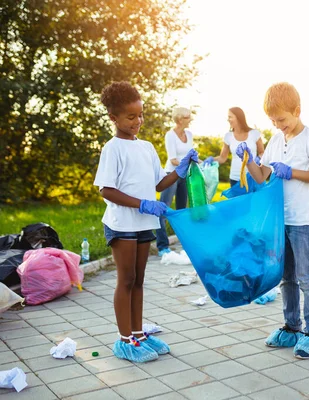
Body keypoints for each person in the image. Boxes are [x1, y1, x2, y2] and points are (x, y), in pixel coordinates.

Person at [93, 82, 199, 363]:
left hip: (144, 224)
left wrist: (180, 170)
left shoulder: (148, 148)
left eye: (140, 115)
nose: (137, 121)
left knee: (139, 280)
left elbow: (160, 182)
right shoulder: (112, 149)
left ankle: (138, 334)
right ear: (113, 118)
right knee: (125, 280)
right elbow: (106, 189)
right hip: (122, 223)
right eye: (130, 117)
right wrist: (142, 203)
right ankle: (125, 339)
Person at [236, 82, 309, 359]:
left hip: (303, 220)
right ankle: (291, 327)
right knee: (286, 278)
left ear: (297, 111)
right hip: (281, 220)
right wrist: (248, 159)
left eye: (282, 119)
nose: (278, 125)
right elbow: (260, 175)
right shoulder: (277, 140)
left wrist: (294, 172)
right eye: (273, 121)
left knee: (306, 277)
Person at [155, 106, 194, 257]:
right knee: (163, 210)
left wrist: (200, 162)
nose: (190, 119)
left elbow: (190, 154)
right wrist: (189, 162)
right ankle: (162, 246)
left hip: (184, 175)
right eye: (187, 117)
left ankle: (183, 243)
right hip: (171, 174)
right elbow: (173, 159)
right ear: (179, 119)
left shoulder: (189, 134)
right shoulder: (170, 135)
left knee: (181, 211)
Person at [206, 107, 264, 187]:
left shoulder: (254, 133)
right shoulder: (228, 136)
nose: (228, 119)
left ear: (238, 117)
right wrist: (212, 159)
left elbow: (262, 153)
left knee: (253, 200)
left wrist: (259, 159)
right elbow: (223, 158)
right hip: (235, 179)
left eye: (230, 117)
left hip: (253, 177)